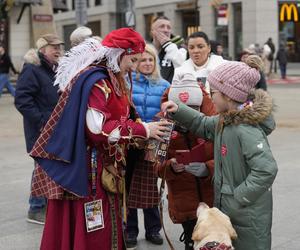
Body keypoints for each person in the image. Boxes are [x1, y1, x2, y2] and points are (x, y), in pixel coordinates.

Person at [29, 28, 170, 250]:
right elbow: (97, 129)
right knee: (95, 226)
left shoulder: (114, 79)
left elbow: (124, 116)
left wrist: (152, 122)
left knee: (106, 222)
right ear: (118, 53)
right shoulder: (97, 81)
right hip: (89, 170)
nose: (133, 66)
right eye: (132, 59)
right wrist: (144, 130)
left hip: (108, 166)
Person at [162, 55, 278, 250]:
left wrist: (237, 197)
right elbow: (203, 124)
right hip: (232, 213)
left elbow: (266, 169)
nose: (210, 95)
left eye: (213, 91)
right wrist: (179, 110)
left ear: (229, 95)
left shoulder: (246, 129)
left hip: (248, 218)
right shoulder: (226, 120)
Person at [156, 73, 216, 250]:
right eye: (181, 109)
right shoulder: (161, 126)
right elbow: (156, 167)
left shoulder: (212, 123)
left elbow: (227, 160)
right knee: (192, 243)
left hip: (213, 201)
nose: (186, 114)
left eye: (193, 108)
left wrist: (207, 169)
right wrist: (171, 167)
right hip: (184, 203)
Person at [14, 34, 64, 224]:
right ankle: (35, 208)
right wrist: (43, 121)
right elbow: (22, 100)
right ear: (43, 49)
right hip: (41, 129)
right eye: (53, 47)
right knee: (42, 167)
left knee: (49, 168)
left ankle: (45, 205)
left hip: (55, 129)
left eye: (59, 46)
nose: (58, 50)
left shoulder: (55, 69)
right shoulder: (32, 69)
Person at [125, 44, 170, 248]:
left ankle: (153, 229)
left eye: (151, 59)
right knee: (130, 186)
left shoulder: (163, 85)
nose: (147, 63)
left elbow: (170, 116)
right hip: (132, 142)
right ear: (135, 62)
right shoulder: (127, 84)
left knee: (151, 188)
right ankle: (131, 230)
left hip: (154, 142)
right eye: (143, 60)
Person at [151, 16, 187, 83]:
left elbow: (182, 66)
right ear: (153, 32)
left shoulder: (179, 49)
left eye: (168, 27)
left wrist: (168, 45)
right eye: (162, 26)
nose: (166, 30)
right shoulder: (146, 50)